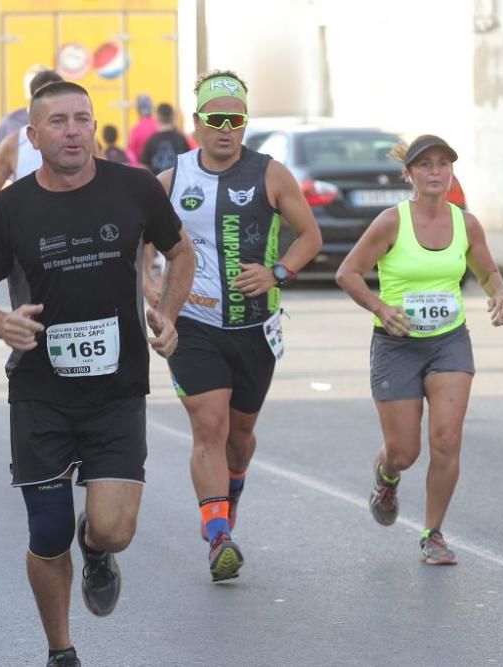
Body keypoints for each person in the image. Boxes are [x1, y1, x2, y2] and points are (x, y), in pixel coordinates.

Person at [0, 80, 195, 667]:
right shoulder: (7, 209)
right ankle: (61, 650)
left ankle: (98, 549)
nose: (72, 131)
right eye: (57, 122)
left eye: (81, 119)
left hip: (117, 391)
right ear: (32, 137)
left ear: (95, 128)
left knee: (113, 531)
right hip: (40, 393)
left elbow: (182, 251)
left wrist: (166, 311)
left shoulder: (134, 188)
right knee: (46, 530)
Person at [155, 70, 322, 582]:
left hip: (254, 328)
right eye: (216, 119)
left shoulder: (270, 174)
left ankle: (230, 498)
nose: (226, 129)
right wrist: (155, 300)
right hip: (194, 324)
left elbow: (309, 237)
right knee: (209, 427)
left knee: (239, 438)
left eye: (236, 119)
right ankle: (218, 535)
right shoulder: (170, 180)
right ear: (197, 123)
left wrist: (276, 272)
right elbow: (140, 250)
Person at [336, 134, 503, 565]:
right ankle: (387, 474)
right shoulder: (391, 222)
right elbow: (348, 273)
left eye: (443, 164)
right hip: (397, 346)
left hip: (449, 341)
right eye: (426, 165)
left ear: (451, 171)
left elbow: (486, 269)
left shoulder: (465, 223)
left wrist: (499, 293)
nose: (436, 172)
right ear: (410, 174)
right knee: (405, 451)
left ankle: (433, 533)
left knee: (447, 440)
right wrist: (380, 306)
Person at [0, 69, 64, 203]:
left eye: (57, 97)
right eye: (45, 97)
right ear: (32, 100)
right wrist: (10, 212)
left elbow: (102, 183)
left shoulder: (84, 139)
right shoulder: (14, 142)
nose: (52, 104)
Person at [0, 64, 46, 174]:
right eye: (33, 87)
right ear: (26, 92)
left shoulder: (66, 121)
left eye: (43, 87)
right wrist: (3, 183)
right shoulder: (10, 122)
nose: (38, 92)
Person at [140, 103, 191, 175]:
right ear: (172, 117)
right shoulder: (181, 139)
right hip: (177, 183)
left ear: (157, 117)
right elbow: (189, 163)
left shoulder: (151, 140)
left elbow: (144, 167)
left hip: (156, 184)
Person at [127, 94, 157, 163]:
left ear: (138, 110)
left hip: (143, 170)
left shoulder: (135, 130)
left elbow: (131, 156)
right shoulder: (159, 126)